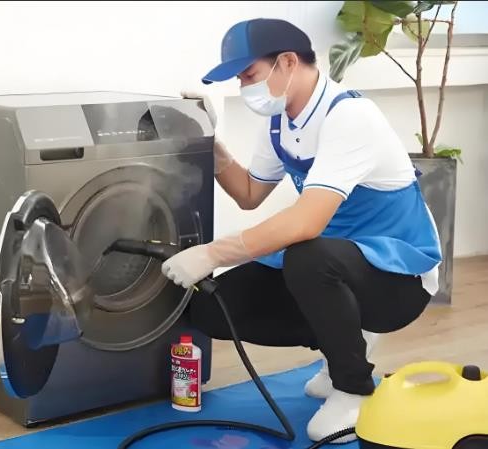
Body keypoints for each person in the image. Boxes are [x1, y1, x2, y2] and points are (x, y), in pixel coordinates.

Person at [161, 18, 442, 442]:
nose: (244, 87)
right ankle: (344, 344)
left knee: (308, 256)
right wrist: (211, 145)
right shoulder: (280, 123)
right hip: (338, 264)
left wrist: (211, 253)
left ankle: (353, 390)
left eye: (249, 74)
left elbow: (307, 222)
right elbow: (249, 193)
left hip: (398, 276)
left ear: (288, 62)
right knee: (211, 308)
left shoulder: (350, 116)